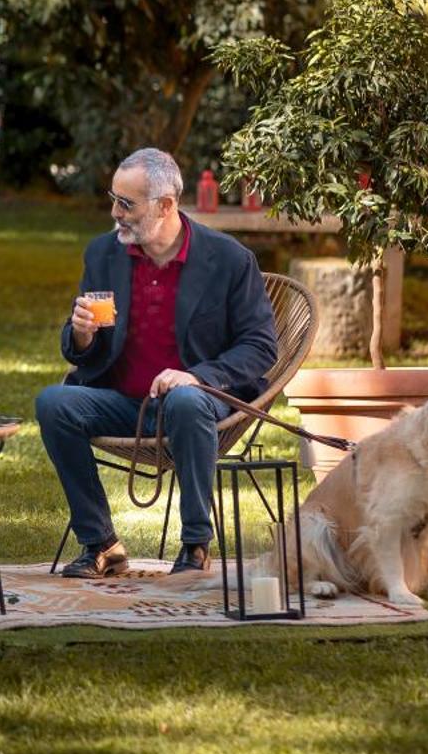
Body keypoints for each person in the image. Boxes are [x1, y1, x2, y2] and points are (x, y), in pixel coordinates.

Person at [35, 147, 276, 578]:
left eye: (126, 204)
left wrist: (196, 377)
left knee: (185, 401)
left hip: (196, 404)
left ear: (166, 205)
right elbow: (81, 351)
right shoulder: (103, 254)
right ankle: (101, 543)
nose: (115, 212)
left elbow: (260, 347)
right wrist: (81, 335)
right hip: (124, 402)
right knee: (53, 403)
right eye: (114, 199)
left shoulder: (229, 259)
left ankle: (196, 543)